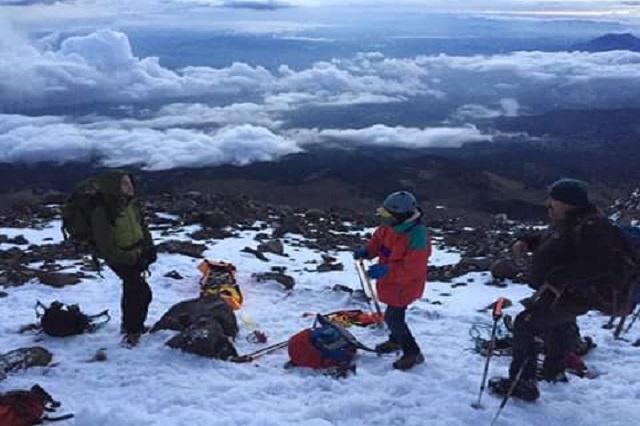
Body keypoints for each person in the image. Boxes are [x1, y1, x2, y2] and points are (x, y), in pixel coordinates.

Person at [489, 178, 618, 401]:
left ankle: (523, 383)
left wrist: (559, 278)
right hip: (563, 294)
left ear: (569, 202)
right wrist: (527, 241)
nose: (549, 204)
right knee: (559, 326)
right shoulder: (572, 221)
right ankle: (554, 371)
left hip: (570, 294)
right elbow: (555, 241)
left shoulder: (593, 228)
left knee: (525, 324)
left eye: (554, 200)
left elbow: (600, 265)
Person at [353, 191, 431, 370]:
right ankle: (395, 340)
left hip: (406, 285)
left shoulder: (417, 236)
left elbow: (413, 269)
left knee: (393, 318)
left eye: (387, 215)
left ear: (401, 215)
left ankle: (412, 352)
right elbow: (377, 242)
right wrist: (367, 251)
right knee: (393, 315)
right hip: (391, 283)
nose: (384, 219)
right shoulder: (389, 227)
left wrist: (386, 271)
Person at [90, 171, 157, 347]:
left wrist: (149, 248)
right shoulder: (102, 211)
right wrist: (132, 258)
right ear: (113, 187)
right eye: (124, 184)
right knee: (142, 293)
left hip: (135, 253)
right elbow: (107, 246)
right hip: (120, 258)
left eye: (130, 182)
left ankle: (130, 327)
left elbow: (142, 227)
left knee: (132, 290)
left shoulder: (131, 204)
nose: (130, 187)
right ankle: (132, 331)